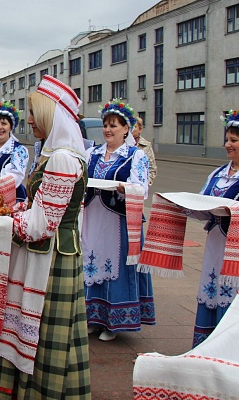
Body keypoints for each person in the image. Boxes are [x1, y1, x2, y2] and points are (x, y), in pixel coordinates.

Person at [0, 75, 91, 399]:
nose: (28, 120)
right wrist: (15, 209)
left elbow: (41, 225)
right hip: (53, 253)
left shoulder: (62, 158)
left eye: (34, 113)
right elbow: (39, 207)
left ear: (52, 116)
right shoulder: (58, 154)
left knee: (42, 334)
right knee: (43, 335)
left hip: (51, 260)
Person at [82, 98, 153, 342]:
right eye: (106, 125)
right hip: (94, 218)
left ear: (126, 129)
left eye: (114, 125)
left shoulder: (136, 156)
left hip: (118, 221)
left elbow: (141, 188)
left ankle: (113, 322)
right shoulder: (92, 153)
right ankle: (93, 318)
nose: (108, 130)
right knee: (92, 262)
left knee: (114, 267)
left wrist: (126, 188)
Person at [189, 109, 239, 347]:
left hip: (236, 249)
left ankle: (228, 348)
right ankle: (209, 344)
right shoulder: (218, 173)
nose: (228, 145)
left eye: (234, 140)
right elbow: (202, 202)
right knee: (214, 286)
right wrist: (186, 206)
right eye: (227, 140)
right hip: (217, 241)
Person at [132, 116, 157, 185]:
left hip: (139, 186)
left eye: (134, 126)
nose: (132, 129)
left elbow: (152, 168)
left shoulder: (146, 145)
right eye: (130, 126)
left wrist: (146, 182)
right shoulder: (121, 143)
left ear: (140, 129)